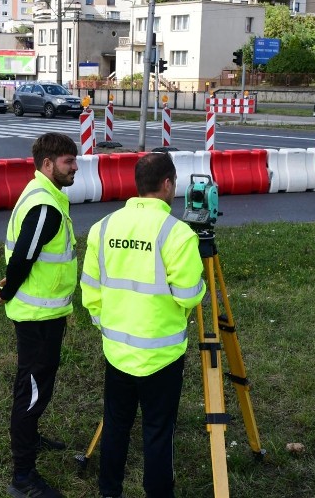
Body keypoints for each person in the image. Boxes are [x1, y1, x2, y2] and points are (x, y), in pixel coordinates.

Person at [80, 152, 206, 498]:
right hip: (161, 356)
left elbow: (90, 290)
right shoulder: (177, 234)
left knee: (117, 426)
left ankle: (109, 492)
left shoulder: (103, 227)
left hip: (117, 351)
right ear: (167, 184)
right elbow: (189, 296)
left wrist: (105, 325)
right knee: (157, 431)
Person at [0, 132, 79, 498]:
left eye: (74, 160)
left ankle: (30, 434)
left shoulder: (44, 193)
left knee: (33, 384)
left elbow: (27, 255)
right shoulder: (46, 206)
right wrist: (7, 289)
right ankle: (22, 478)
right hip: (36, 316)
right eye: (68, 161)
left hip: (43, 311)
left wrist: (8, 284)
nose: (75, 167)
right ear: (47, 164)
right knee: (32, 390)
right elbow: (23, 256)